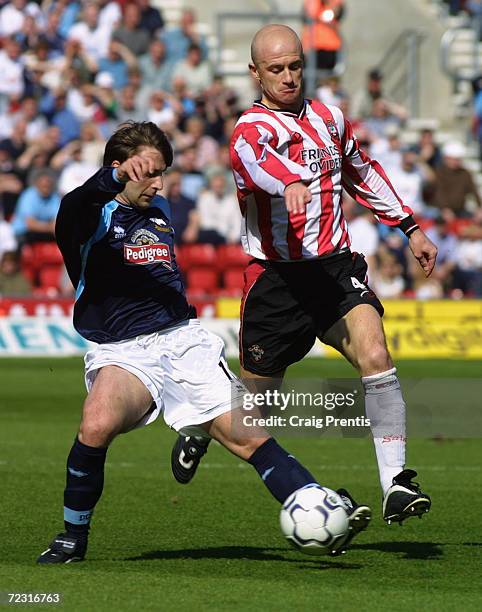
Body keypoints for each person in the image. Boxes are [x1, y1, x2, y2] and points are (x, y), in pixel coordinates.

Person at [37, 121, 370, 564]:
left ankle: (323, 504)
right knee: (95, 425)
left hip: (181, 343)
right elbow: (74, 205)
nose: (158, 184)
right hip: (121, 349)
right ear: (119, 168)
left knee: (248, 438)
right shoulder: (88, 218)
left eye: (163, 174)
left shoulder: (159, 213)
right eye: (148, 173)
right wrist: (113, 179)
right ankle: (71, 537)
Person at [172, 24, 436, 526]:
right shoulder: (250, 129)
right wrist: (290, 180)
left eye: (295, 66)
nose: (289, 76)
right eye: (276, 69)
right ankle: (199, 427)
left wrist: (410, 228)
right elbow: (258, 164)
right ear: (255, 73)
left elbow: (361, 172)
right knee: (256, 411)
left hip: (333, 270)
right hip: (276, 281)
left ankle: (396, 484)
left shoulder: (330, 118)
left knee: (375, 352)